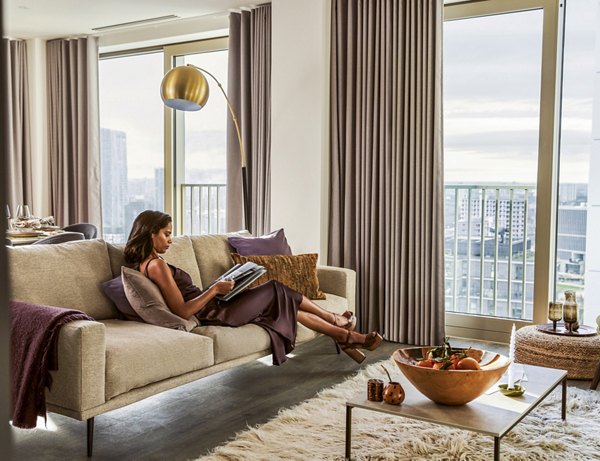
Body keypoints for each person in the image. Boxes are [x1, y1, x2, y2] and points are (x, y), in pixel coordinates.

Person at [124, 210, 383, 365]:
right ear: (150, 234)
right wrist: (214, 291)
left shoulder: (151, 262)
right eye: (166, 234)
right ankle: (338, 323)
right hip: (214, 312)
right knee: (275, 288)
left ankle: (346, 337)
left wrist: (218, 287)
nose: (170, 239)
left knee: (286, 305)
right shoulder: (155, 265)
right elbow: (182, 310)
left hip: (216, 304)